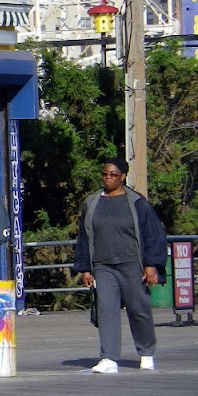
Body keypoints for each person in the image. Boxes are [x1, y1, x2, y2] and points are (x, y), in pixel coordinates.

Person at [73, 158, 168, 373]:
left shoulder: (137, 203)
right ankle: (109, 358)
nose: (108, 178)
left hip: (132, 265)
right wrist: (85, 268)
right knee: (106, 311)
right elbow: (84, 237)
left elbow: (154, 234)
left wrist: (152, 265)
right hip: (103, 266)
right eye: (105, 174)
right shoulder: (92, 203)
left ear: (123, 176)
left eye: (113, 174)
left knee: (138, 310)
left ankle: (146, 352)